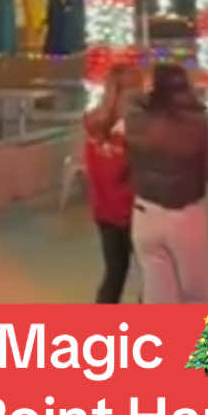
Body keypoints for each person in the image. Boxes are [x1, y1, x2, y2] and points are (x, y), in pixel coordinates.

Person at [124, 63, 208, 304]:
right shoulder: (196, 123)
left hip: (144, 213)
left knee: (158, 298)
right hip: (184, 214)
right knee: (197, 295)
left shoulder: (135, 120)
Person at [83, 63, 142, 303]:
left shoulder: (93, 123)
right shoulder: (134, 128)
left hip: (104, 210)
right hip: (132, 211)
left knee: (114, 274)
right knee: (153, 276)